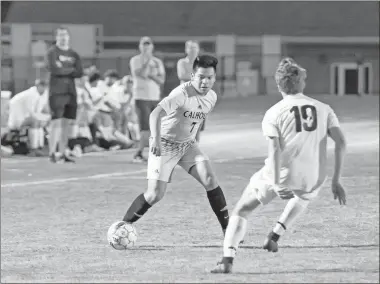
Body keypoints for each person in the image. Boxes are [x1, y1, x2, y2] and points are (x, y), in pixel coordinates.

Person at [210, 58, 347, 274]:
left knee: (242, 209)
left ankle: (227, 259)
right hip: (313, 177)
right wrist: (337, 180)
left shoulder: (274, 112)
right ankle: (274, 236)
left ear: (279, 86)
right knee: (304, 194)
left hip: (282, 175)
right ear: (301, 83)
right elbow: (340, 143)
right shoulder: (324, 109)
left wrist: (275, 183)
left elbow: (274, 150)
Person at [119, 55, 230, 239]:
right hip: (164, 145)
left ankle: (228, 230)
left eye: (210, 77)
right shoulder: (181, 94)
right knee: (155, 194)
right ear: (193, 75)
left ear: (215, 78)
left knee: (210, 178)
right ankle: (123, 226)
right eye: (201, 76)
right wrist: (154, 139)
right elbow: (155, 114)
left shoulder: (212, 97)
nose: (205, 81)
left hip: (187, 145)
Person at [46, 26, 83, 163]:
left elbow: (79, 71)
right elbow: (54, 69)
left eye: (65, 35)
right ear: (56, 37)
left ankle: (62, 152)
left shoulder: (74, 54)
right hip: (57, 91)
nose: (63, 38)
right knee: (56, 122)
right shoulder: (52, 52)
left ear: (68, 37)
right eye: (60, 35)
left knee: (67, 123)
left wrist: (64, 69)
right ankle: (52, 153)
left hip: (71, 92)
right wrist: (69, 70)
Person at [130, 36, 166, 162]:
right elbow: (140, 74)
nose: (146, 47)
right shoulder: (135, 60)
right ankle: (139, 152)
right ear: (140, 46)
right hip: (141, 97)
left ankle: (153, 152)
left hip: (154, 97)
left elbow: (161, 80)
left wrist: (151, 74)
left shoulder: (157, 62)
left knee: (156, 126)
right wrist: (147, 61)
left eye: (148, 45)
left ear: (152, 46)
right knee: (145, 127)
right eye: (143, 45)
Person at [7, 79, 50, 156]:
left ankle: (40, 147)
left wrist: (47, 117)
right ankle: (33, 148)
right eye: (42, 86)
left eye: (45, 86)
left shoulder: (42, 95)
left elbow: (42, 109)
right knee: (35, 121)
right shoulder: (30, 94)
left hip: (25, 116)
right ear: (38, 86)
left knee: (40, 122)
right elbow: (31, 112)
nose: (44, 88)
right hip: (17, 118)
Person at [177, 40, 205, 142]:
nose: (193, 50)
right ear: (186, 50)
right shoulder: (182, 62)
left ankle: (195, 147)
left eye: (195, 48)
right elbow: (182, 76)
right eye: (191, 48)